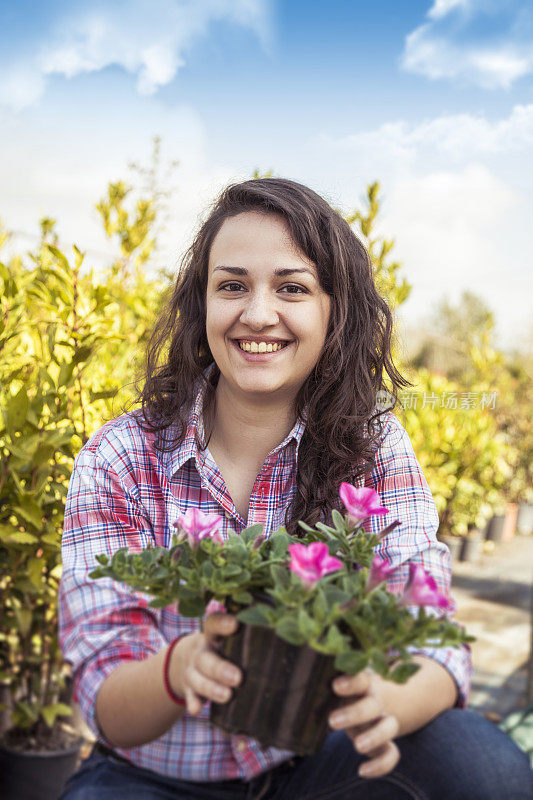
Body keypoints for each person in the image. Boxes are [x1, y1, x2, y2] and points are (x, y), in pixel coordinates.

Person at [58, 178, 532, 799]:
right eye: (232, 286)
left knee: (482, 766)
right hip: (149, 776)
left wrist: (389, 701)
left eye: (292, 288)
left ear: (336, 310)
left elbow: (433, 632)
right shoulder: (120, 457)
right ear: (200, 305)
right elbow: (105, 697)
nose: (258, 314)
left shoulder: (373, 447)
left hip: (314, 763)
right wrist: (178, 670)